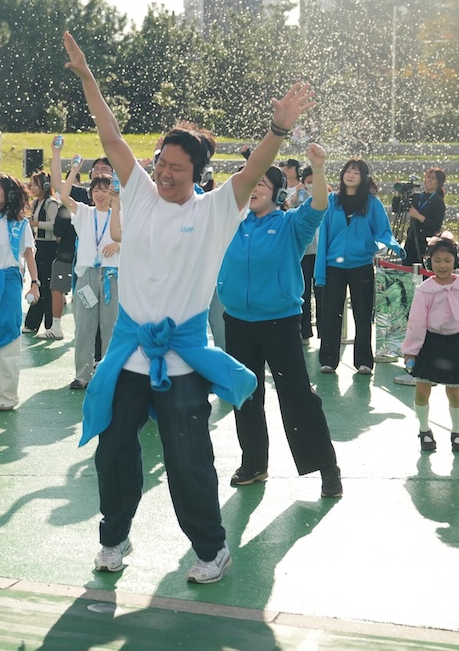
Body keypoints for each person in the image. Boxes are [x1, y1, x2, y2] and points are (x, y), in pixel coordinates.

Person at [65, 30, 308, 584]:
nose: (164, 171)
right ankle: (113, 538)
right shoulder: (141, 194)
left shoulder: (218, 209)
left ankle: (211, 547)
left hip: (184, 358)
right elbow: (110, 135)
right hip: (129, 351)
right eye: (161, 162)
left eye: (176, 166)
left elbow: (253, 171)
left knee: (186, 458)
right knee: (114, 451)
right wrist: (86, 77)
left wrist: (278, 128)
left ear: (196, 171)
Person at [217, 144, 343, 498]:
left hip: (280, 323)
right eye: (250, 182)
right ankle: (254, 464)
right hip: (237, 321)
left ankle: (327, 468)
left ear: (278, 193)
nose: (253, 187)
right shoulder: (231, 222)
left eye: (262, 184)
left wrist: (318, 169)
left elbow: (319, 204)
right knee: (245, 395)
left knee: (297, 395)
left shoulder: (291, 225)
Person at [314, 159, 403, 376]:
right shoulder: (331, 201)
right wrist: (321, 269)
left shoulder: (372, 203)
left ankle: (364, 361)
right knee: (331, 313)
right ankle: (328, 359)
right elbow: (323, 234)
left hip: (361, 265)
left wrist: (394, 247)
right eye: (348, 171)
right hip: (333, 265)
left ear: (363, 177)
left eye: (356, 172)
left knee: (363, 314)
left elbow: (383, 231)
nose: (351, 175)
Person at [400, 233, 459, 453]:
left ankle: (457, 432)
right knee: (422, 389)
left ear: (456, 262)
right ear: (430, 262)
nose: (442, 265)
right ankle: (424, 430)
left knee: (454, 391)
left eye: (447, 260)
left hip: (455, 344)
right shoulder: (425, 289)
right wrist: (411, 351)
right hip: (430, 344)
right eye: (437, 261)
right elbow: (416, 323)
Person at [54, 141, 120, 391]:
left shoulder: (120, 214)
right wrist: (73, 169)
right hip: (87, 277)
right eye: (96, 191)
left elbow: (136, 238)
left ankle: (108, 375)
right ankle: (82, 374)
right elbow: (62, 195)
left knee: (110, 329)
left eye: (105, 190)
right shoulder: (83, 212)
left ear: (112, 193)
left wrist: (119, 245)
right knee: (84, 327)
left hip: (112, 276)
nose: (100, 195)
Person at [0, 172, 40, 411]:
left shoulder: (20, 223)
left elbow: (28, 254)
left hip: (8, 283)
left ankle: (7, 396)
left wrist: (35, 283)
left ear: (9, 194)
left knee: (8, 339)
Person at [23, 169, 69, 338]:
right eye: (31, 185)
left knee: (48, 285)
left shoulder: (50, 203)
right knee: (40, 283)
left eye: (35, 184)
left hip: (49, 247)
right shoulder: (38, 202)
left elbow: (54, 225)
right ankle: (33, 323)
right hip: (40, 246)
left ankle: (49, 324)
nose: (32, 188)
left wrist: (36, 223)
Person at [403, 168, 447, 268]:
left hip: (425, 243)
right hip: (411, 240)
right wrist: (399, 193)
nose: (429, 180)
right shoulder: (416, 197)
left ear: (439, 183)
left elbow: (436, 225)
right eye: (428, 177)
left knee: (423, 273)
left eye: (433, 178)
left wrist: (418, 216)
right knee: (406, 270)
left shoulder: (438, 202)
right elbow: (397, 208)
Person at [296, 165, 320, 343]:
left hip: (322, 254)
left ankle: (324, 331)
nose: (311, 186)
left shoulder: (327, 198)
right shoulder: (298, 197)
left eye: (315, 182)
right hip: (304, 253)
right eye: (309, 182)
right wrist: (297, 196)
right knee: (304, 292)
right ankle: (304, 331)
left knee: (322, 293)